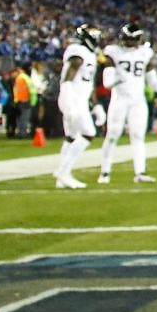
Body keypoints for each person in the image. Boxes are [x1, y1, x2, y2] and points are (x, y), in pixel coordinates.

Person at [98, 22, 157, 184]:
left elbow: (151, 76)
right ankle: (105, 172)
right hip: (120, 99)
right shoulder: (113, 52)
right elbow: (107, 81)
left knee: (138, 136)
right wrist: (115, 79)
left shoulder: (146, 53)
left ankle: (140, 172)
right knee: (112, 135)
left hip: (138, 100)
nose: (129, 43)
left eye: (132, 39)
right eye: (127, 39)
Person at [53, 24, 102, 189]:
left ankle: (61, 177)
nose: (97, 37)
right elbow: (67, 79)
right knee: (88, 133)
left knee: (71, 137)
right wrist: (69, 104)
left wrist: (96, 107)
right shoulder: (77, 51)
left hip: (79, 99)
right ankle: (63, 172)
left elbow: (89, 84)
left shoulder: (90, 54)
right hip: (72, 98)